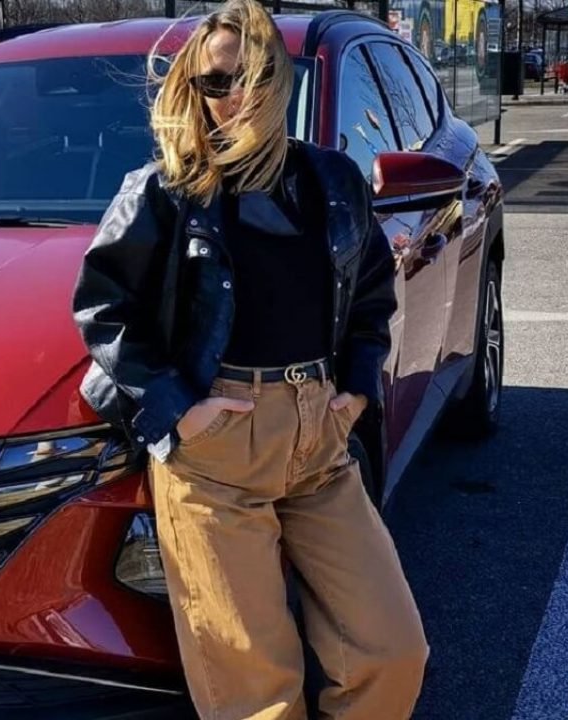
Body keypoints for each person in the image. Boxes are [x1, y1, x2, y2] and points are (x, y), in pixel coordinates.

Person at [71, 1, 428, 718]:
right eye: (214, 82)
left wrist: (357, 389)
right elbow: (104, 310)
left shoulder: (331, 181)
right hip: (217, 451)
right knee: (257, 696)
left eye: (252, 76)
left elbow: (369, 295)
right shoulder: (166, 191)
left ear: (279, 82)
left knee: (392, 652)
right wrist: (181, 412)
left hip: (317, 439)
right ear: (194, 89)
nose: (233, 96)